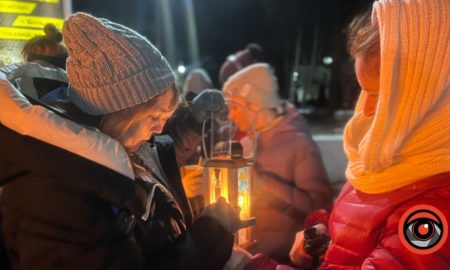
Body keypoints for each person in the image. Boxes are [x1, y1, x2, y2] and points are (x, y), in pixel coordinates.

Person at [0, 13, 240, 270]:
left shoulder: (116, 146)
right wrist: (210, 236)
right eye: (154, 116)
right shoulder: (52, 195)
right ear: (120, 112)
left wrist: (193, 121)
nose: (160, 128)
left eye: (166, 115)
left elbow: (161, 149)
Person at [247, 0, 450, 269]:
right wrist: (324, 230)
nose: (364, 110)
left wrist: (249, 266)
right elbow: (363, 219)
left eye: (379, 96)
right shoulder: (391, 157)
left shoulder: (436, 205)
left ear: (430, 97)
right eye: (364, 91)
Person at [223, 63, 332, 260]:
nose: (230, 116)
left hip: (284, 260)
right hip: (248, 258)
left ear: (254, 104)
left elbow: (320, 210)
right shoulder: (245, 143)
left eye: (234, 107)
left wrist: (264, 184)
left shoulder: (299, 144)